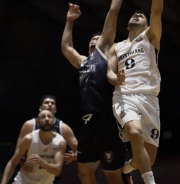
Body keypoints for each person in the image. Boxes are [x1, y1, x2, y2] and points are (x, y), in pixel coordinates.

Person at [61, 1, 128, 184]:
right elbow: (66, 48)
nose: (94, 38)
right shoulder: (82, 61)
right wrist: (69, 21)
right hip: (86, 124)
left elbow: (113, 12)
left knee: (112, 175)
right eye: (92, 37)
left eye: (98, 37)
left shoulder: (104, 53)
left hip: (106, 123)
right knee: (83, 173)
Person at [106, 0, 164, 183]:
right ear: (127, 24)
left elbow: (156, 10)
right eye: (134, 14)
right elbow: (109, 72)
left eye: (141, 15)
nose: (137, 14)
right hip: (124, 96)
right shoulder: (116, 47)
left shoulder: (151, 36)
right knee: (135, 132)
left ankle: (127, 168)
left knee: (149, 159)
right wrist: (115, 79)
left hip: (149, 98)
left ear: (147, 25)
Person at [16, 95, 78, 183]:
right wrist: (22, 162)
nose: (49, 104)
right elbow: (18, 150)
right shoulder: (30, 125)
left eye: (52, 103)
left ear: (55, 109)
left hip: (51, 175)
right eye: (46, 102)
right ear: (40, 108)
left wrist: (76, 156)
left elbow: (81, 150)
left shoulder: (63, 128)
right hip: (30, 173)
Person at [1, 110, 67, 184]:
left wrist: (43, 163)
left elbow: (57, 171)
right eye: (43, 117)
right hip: (23, 181)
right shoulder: (29, 139)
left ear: (54, 121)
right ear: (38, 122)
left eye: (49, 117)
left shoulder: (60, 142)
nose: (47, 119)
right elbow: (13, 163)